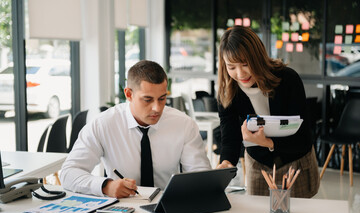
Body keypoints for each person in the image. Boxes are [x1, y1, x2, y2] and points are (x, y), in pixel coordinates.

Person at [60, 60, 211, 198]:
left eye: (162, 98)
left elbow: (201, 177)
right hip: (122, 210)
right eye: (148, 99)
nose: (157, 108)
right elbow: (68, 173)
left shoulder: (183, 124)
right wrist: (106, 186)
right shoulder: (103, 124)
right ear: (129, 94)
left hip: (167, 207)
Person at [216, 26, 319, 198]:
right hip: (259, 165)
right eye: (231, 67)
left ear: (257, 57)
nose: (240, 73)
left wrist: (268, 142)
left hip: (296, 163)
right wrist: (226, 162)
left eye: (245, 64)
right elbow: (230, 138)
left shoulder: (287, 79)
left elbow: (303, 138)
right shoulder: (227, 92)